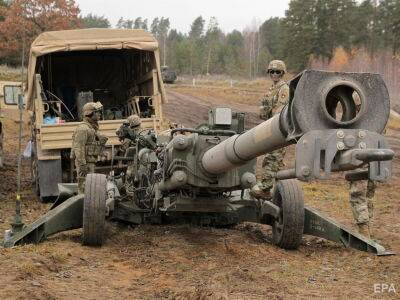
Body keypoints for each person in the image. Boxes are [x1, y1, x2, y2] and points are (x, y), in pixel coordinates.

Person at [251, 60, 289, 199]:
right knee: (276, 161)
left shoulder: (284, 89)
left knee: (272, 157)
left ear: (282, 73)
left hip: (277, 128)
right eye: (272, 71)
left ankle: (265, 188)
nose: (274, 74)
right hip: (271, 126)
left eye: (277, 72)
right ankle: (278, 190)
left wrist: (274, 128)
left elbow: (280, 110)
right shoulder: (272, 88)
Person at [71, 101, 108, 194]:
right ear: (90, 114)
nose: (99, 114)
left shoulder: (91, 128)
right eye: (97, 112)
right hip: (85, 163)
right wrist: (82, 165)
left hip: (89, 162)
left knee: (89, 188)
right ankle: (83, 206)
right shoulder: (83, 129)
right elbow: (78, 148)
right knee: (84, 189)